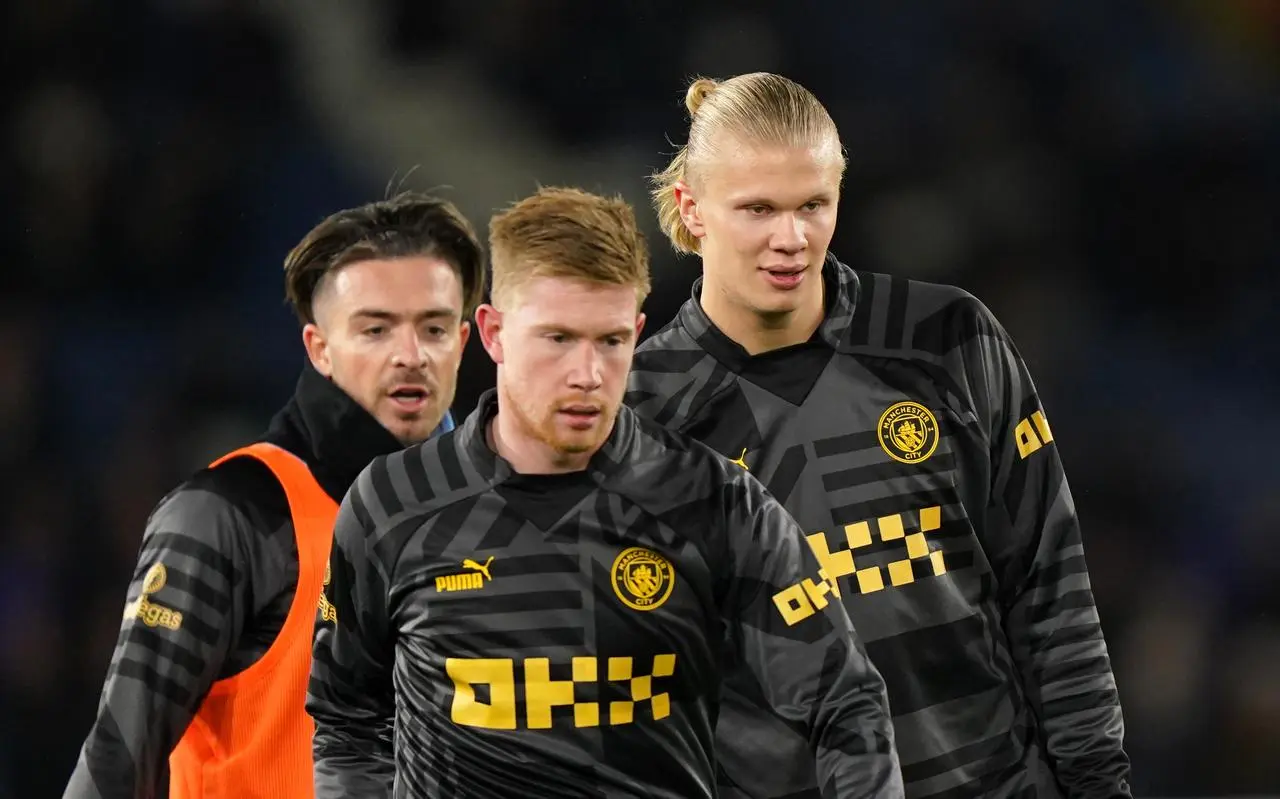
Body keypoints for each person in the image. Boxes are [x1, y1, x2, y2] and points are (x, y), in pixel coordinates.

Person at [627, 72, 1132, 799]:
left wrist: (1099, 785)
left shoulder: (946, 340)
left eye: (813, 205)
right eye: (757, 209)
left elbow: (1050, 594)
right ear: (691, 209)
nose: (790, 238)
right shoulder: (641, 412)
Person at [307, 186, 904, 798]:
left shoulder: (711, 500)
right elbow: (349, 724)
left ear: (638, 331)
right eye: (558, 338)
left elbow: (845, 704)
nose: (587, 375)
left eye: (611, 341)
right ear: (493, 333)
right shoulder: (393, 502)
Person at [63, 192, 485, 799]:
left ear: (464, 340)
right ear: (319, 348)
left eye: (434, 328)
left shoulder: (492, 513)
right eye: (375, 328)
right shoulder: (233, 513)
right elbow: (116, 761)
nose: (410, 356)